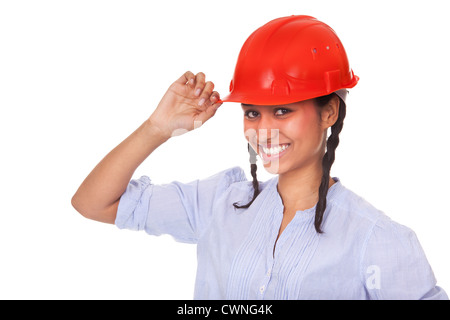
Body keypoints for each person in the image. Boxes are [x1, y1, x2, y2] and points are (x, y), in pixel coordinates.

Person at [72, 15, 447, 299]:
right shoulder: (218, 203)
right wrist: (157, 127)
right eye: (252, 112)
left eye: (282, 111)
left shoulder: (377, 240)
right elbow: (92, 202)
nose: (263, 130)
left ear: (329, 112)